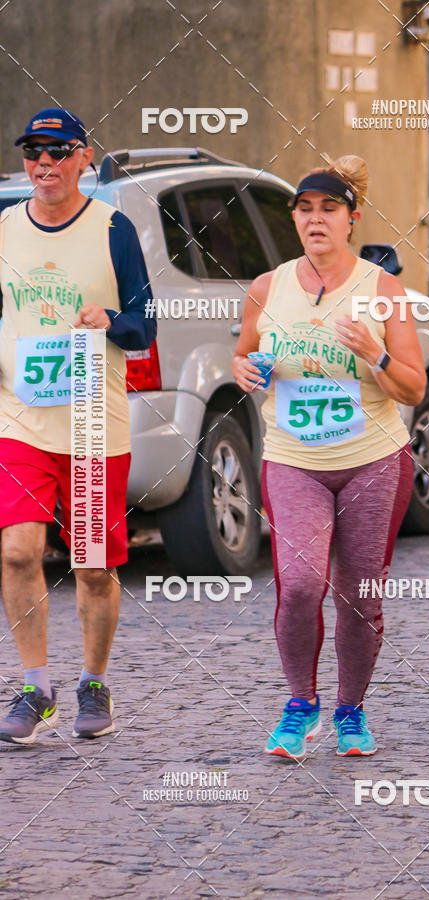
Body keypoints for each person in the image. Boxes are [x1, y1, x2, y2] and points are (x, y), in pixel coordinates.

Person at [232, 155, 426, 759]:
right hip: (293, 460)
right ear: (295, 220)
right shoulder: (268, 288)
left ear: (351, 220)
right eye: (305, 209)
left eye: (329, 210)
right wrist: (244, 370)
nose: (316, 220)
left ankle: (350, 710)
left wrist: (376, 353)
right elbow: (242, 357)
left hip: (373, 461)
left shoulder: (383, 290)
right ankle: (299, 704)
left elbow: (415, 388)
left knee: (360, 594)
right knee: (300, 585)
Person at [0, 108, 156, 744]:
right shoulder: (6, 228)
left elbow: (145, 324)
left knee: (93, 566)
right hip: (23, 419)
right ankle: (35, 688)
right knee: (16, 551)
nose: (45, 164)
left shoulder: (113, 228)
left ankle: (94, 681)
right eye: (34, 152)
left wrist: (109, 320)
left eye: (59, 152)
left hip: (94, 420)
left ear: (85, 158)